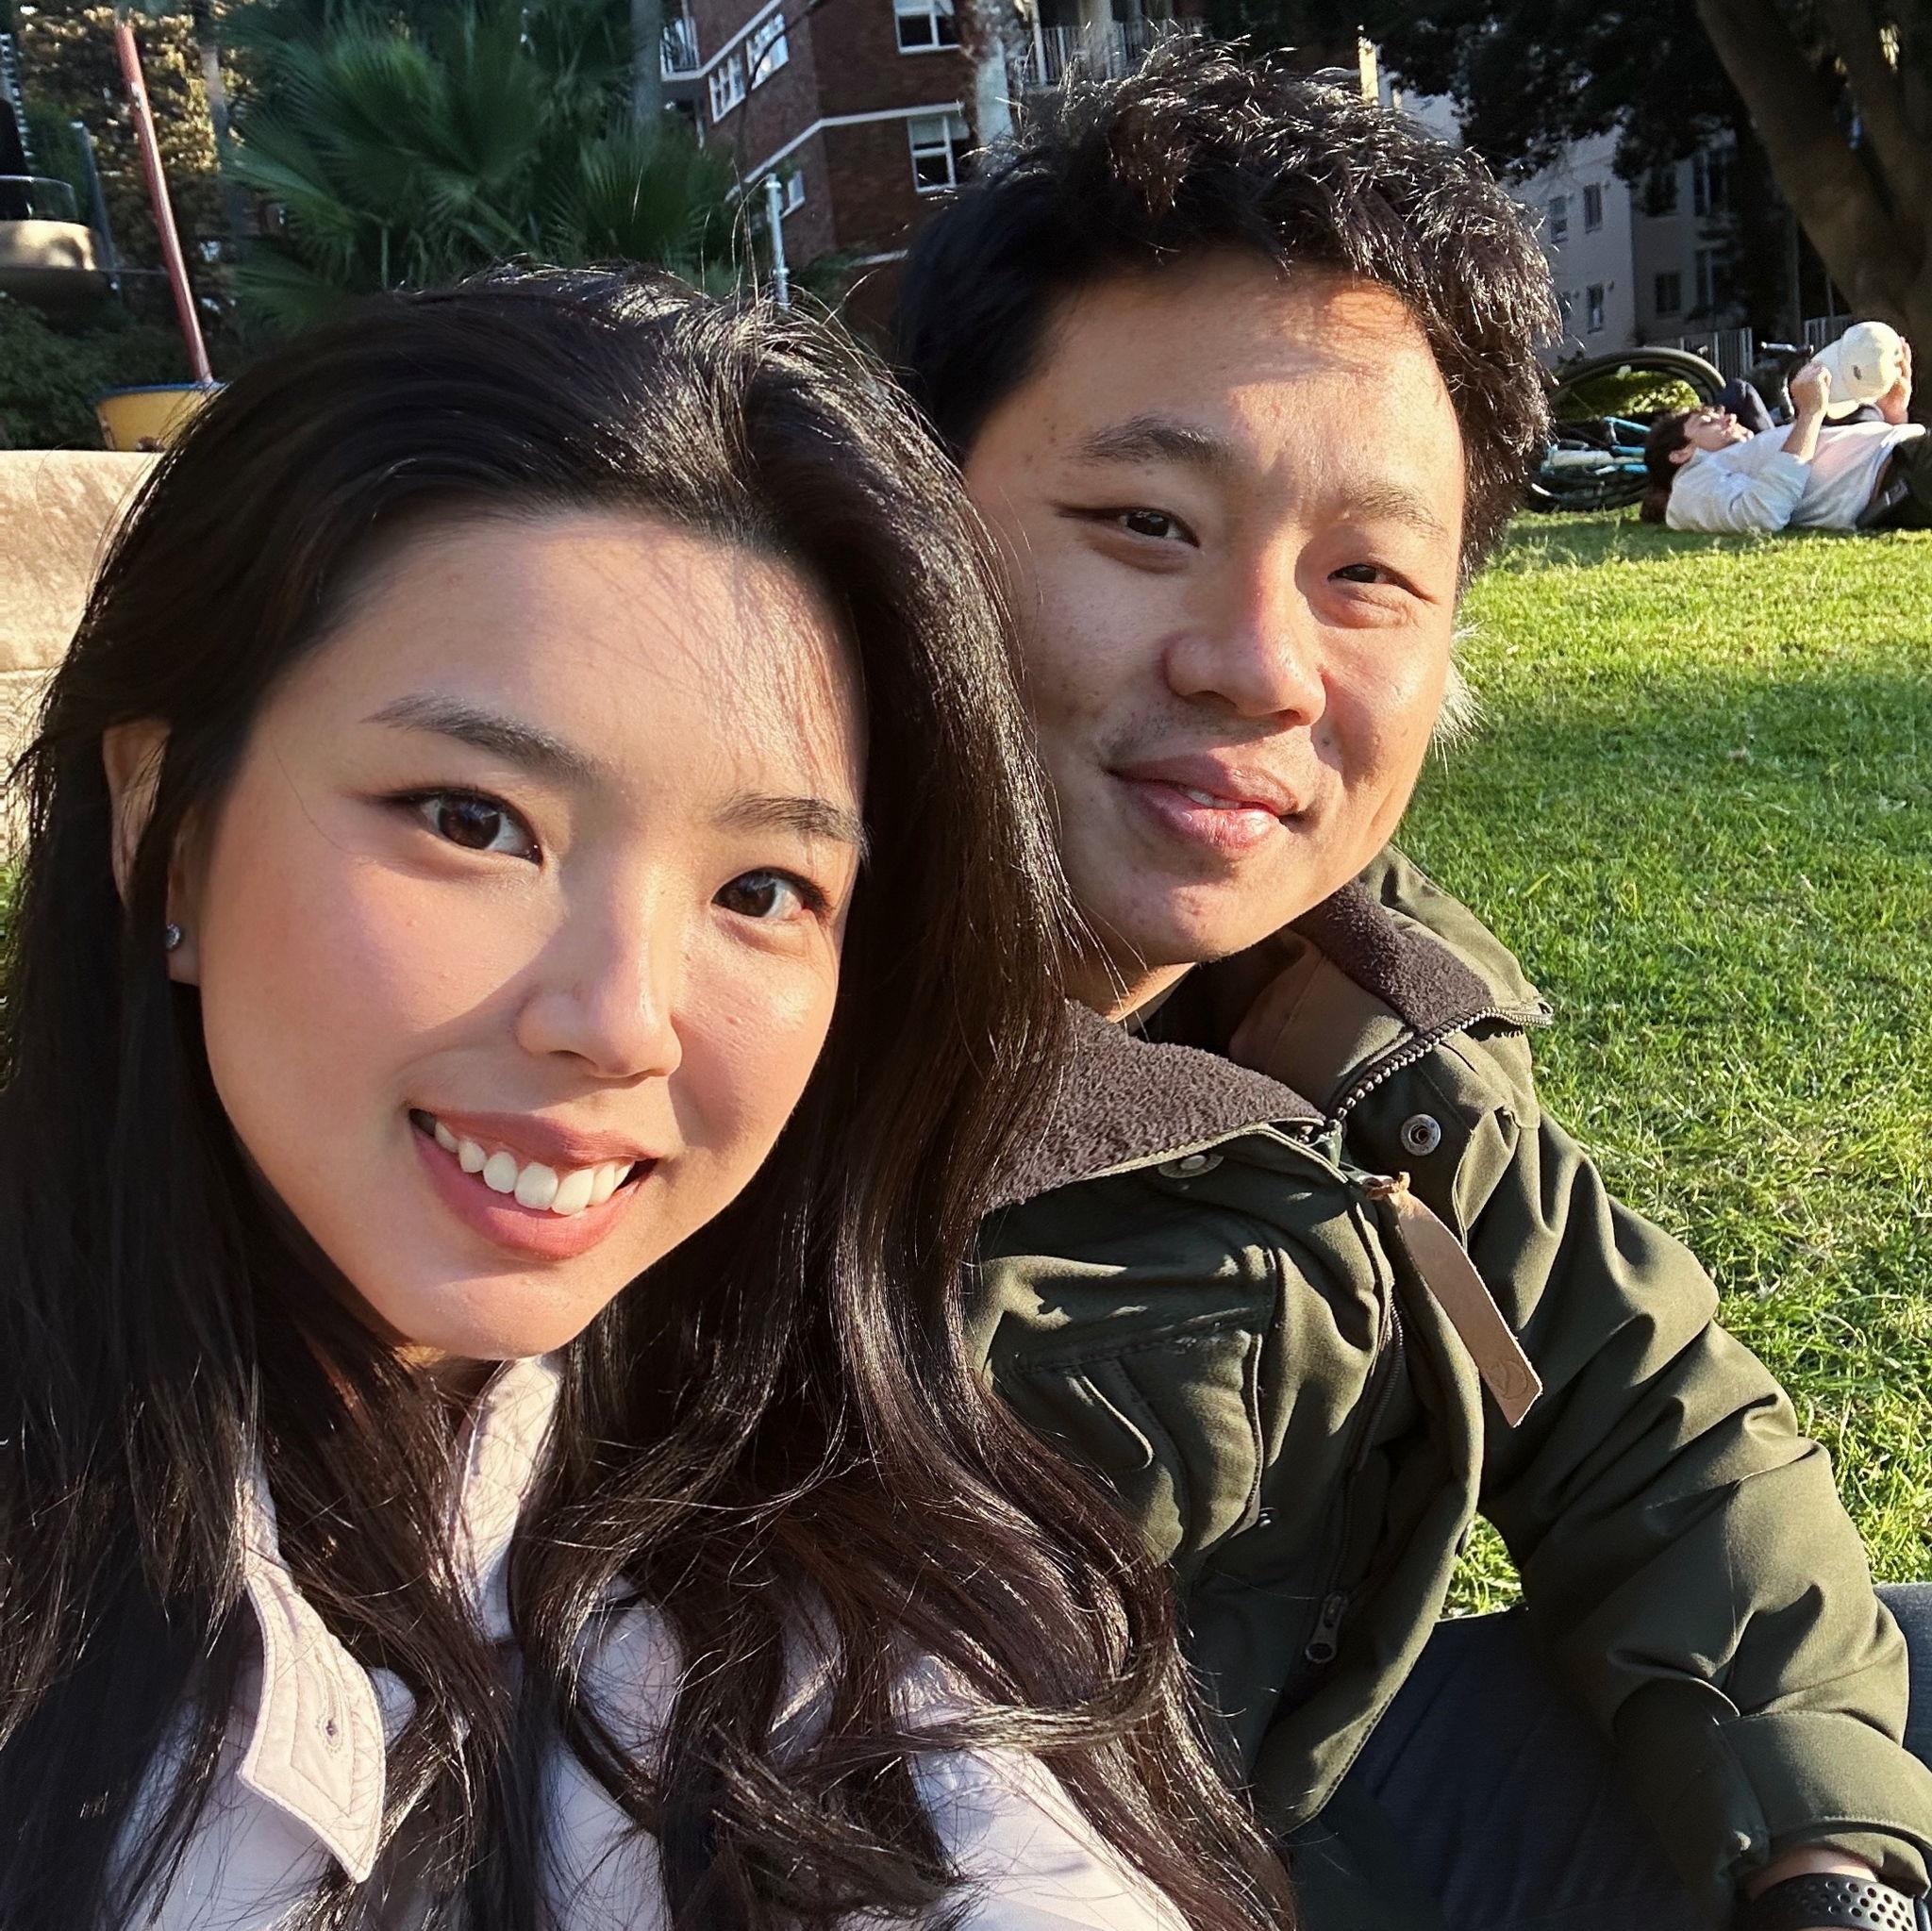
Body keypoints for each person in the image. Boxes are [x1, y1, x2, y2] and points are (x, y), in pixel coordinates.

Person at [0, 270, 1296, 1931]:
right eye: (472, 819)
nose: (619, 1020)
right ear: (159, 821)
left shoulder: (854, 1586)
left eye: (761, 889)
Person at [894, 40, 1932, 1931]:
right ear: (907, 536)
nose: (1259, 666)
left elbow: (1646, 1426)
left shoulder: (1356, 1017)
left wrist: (1824, 1870)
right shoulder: (726, 1068)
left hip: (1310, 1788)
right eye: (1144, 524)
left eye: (1367, 573)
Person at [1644, 350, 1932, 530]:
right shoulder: (1689, 487)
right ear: (1680, 453)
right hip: (1902, 476)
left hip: (1908, 462)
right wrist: (1809, 413)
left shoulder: (1747, 454)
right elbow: (1761, 515)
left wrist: (1894, 413)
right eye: (1707, 421)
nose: (1729, 418)